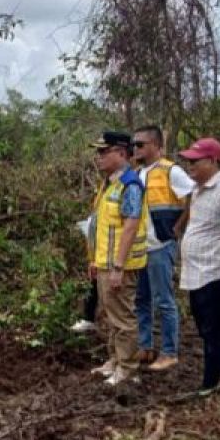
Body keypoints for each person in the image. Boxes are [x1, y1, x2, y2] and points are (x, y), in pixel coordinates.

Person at [176, 138, 220, 393]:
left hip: (216, 272)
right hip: (197, 272)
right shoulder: (198, 191)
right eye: (188, 161)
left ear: (213, 161)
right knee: (205, 329)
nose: (189, 166)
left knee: (216, 329)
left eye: (195, 161)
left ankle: (214, 381)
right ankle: (215, 378)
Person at [132, 125, 196, 371]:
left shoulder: (171, 171)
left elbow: (192, 195)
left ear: (157, 146)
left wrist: (177, 228)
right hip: (141, 246)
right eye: (134, 144)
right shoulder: (138, 174)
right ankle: (145, 346)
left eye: (141, 144)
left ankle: (169, 351)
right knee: (142, 299)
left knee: (164, 300)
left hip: (161, 245)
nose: (136, 148)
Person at [88, 131, 149, 386]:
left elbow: (130, 226)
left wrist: (118, 266)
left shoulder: (130, 184)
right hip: (105, 263)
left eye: (104, 152)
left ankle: (128, 368)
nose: (99, 157)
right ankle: (115, 360)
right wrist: (95, 260)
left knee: (123, 318)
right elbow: (101, 227)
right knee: (111, 316)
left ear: (122, 153)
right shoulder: (110, 184)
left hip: (120, 265)